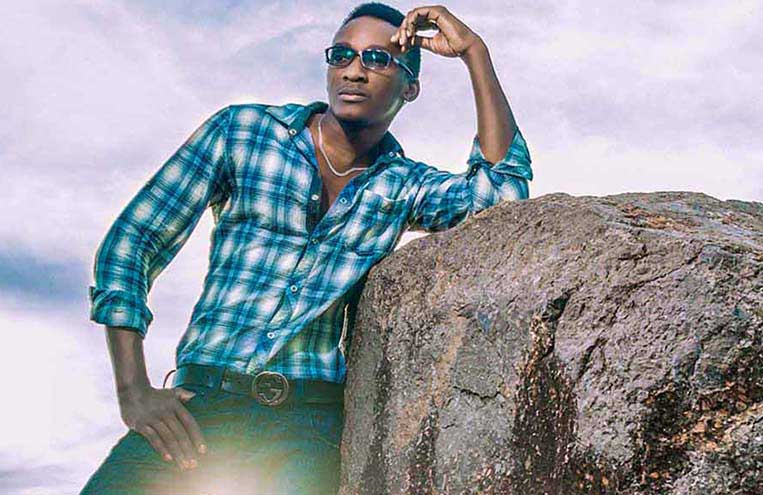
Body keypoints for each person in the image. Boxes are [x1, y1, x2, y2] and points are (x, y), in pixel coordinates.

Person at [80, 2, 533, 494]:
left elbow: (501, 196)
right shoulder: (244, 132)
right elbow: (133, 241)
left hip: (308, 426)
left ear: (410, 87)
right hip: (200, 403)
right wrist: (133, 390)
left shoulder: (403, 185)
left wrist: (474, 53)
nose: (354, 71)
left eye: (377, 59)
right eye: (342, 55)